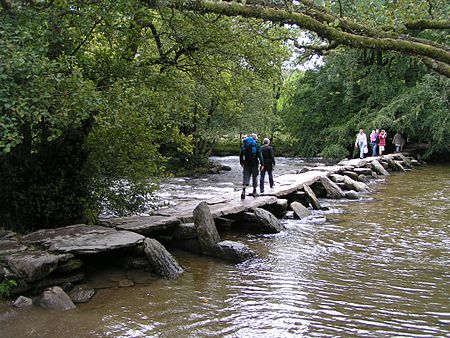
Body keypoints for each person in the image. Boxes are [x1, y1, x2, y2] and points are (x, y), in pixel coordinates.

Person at [240, 133, 263, 199]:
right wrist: (262, 164)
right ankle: (254, 191)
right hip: (255, 163)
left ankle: (243, 191)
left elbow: (241, 154)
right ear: (255, 138)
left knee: (246, 177)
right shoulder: (256, 145)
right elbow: (260, 155)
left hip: (246, 163)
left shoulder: (245, 145)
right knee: (255, 176)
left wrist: (241, 162)